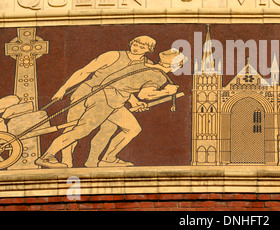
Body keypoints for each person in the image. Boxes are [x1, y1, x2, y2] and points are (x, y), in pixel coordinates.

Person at [35, 48, 186, 169]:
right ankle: (47, 155)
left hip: (112, 99)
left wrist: (134, 102)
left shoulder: (143, 65)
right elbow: (145, 94)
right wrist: (167, 91)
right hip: (104, 101)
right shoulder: (158, 76)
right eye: (180, 65)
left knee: (132, 128)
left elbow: (124, 84)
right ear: (174, 66)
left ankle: (108, 158)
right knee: (81, 131)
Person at [50, 36, 157, 168]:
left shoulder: (147, 66)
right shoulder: (112, 56)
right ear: (130, 43)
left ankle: (95, 161)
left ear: (149, 50)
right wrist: (63, 89)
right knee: (73, 128)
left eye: (142, 47)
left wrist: (134, 102)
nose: (137, 48)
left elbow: (127, 87)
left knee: (111, 129)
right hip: (86, 94)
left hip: (113, 101)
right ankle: (66, 162)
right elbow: (84, 72)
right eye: (135, 44)